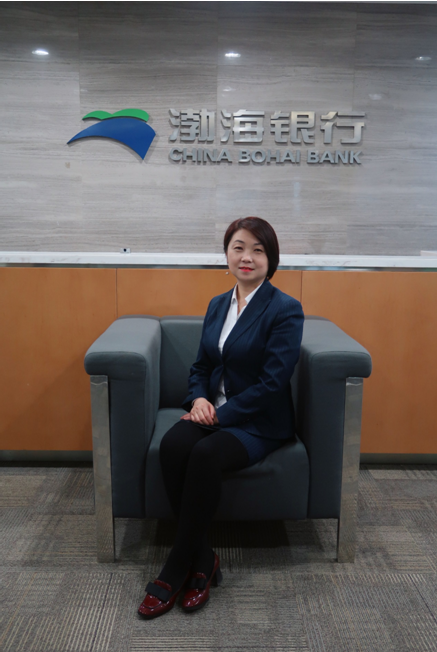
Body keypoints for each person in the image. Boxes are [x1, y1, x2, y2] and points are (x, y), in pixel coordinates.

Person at [138, 216, 304, 619]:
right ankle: (204, 558)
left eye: (257, 250)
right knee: (172, 445)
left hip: (259, 421)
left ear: (271, 259)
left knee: (205, 455)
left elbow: (272, 384)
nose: (247, 257)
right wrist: (198, 400)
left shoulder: (285, 309)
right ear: (227, 256)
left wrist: (220, 415)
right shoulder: (218, 305)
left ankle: (177, 565)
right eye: (238, 248)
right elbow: (201, 366)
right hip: (214, 411)